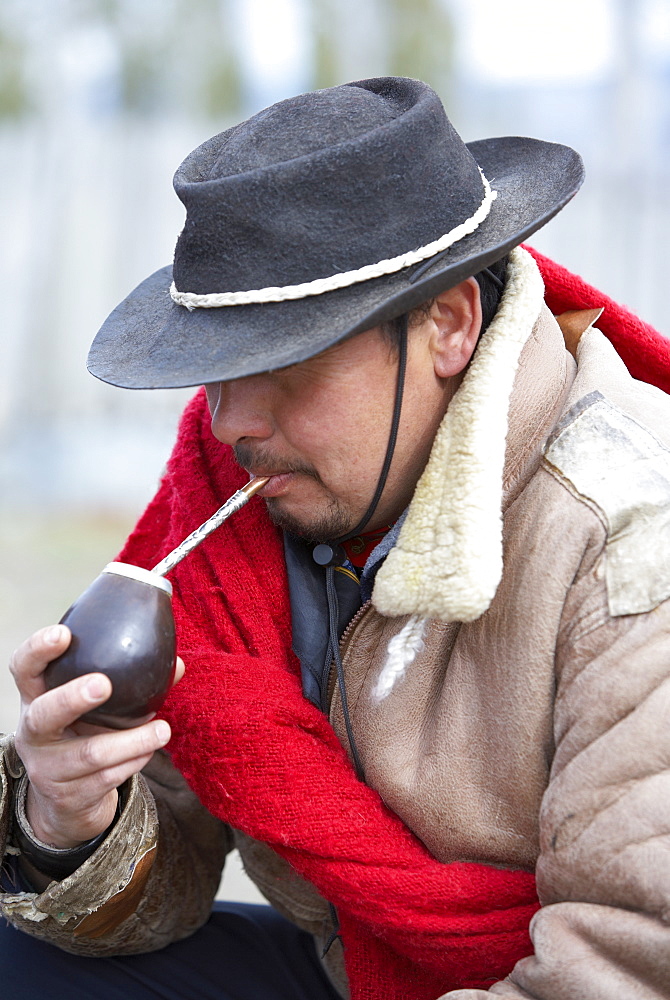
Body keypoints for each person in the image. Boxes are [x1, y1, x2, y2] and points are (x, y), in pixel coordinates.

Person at [2, 76, 670, 1000]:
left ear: (447, 325)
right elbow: (173, 873)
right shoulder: (236, 497)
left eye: (281, 359)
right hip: (347, 967)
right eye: (217, 367)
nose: (228, 420)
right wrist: (70, 814)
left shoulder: (630, 538)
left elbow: (628, 962)